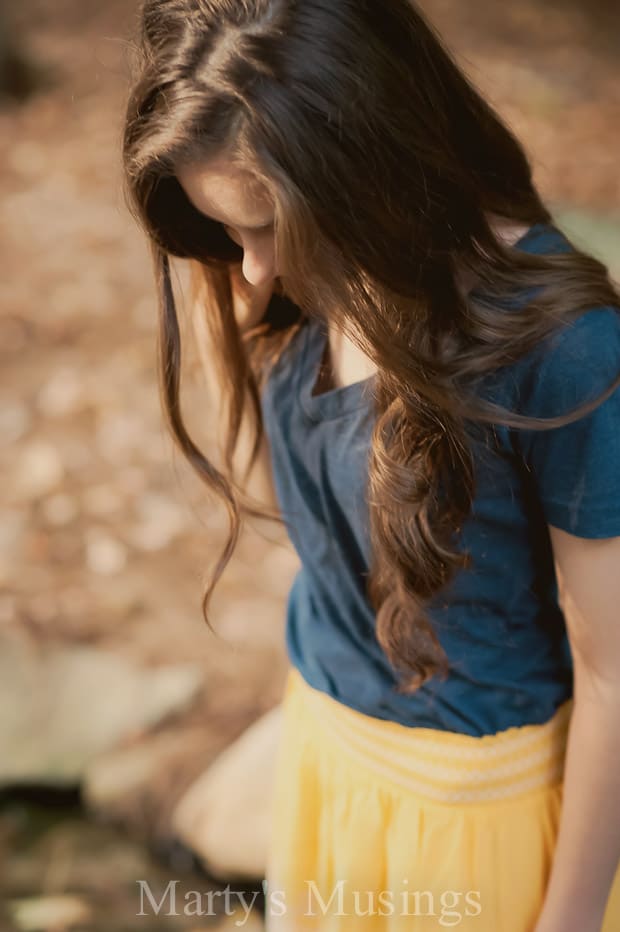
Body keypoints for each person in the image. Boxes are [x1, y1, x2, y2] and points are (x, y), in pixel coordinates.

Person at [122, 1, 620, 929]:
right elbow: (297, 512)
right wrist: (222, 328)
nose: (256, 269)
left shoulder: (564, 349)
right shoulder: (293, 281)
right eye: (227, 232)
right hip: (324, 756)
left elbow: (615, 674)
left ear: (372, 157)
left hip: (470, 816)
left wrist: (571, 919)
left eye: (266, 224)